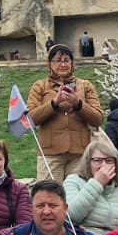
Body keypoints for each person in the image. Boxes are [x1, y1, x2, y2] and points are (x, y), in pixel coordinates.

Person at [26, 43, 105, 181]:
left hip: (79, 153)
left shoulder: (85, 86)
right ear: (50, 64)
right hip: (50, 153)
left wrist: (78, 103)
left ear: (72, 63)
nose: (62, 64)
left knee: (76, 197)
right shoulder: (40, 86)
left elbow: (97, 119)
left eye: (66, 60)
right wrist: (54, 103)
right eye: (57, 60)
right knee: (50, 195)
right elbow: (31, 118)